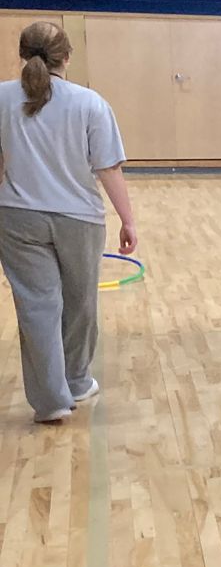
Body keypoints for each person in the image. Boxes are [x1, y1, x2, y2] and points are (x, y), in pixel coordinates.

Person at [0, 21, 137, 425]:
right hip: (79, 219)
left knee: (37, 308)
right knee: (80, 303)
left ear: (23, 54)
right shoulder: (90, 103)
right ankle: (76, 380)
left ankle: (50, 402)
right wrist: (128, 221)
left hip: (15, 218)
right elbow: (108, 168)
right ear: (67, 57)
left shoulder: (1, 98)